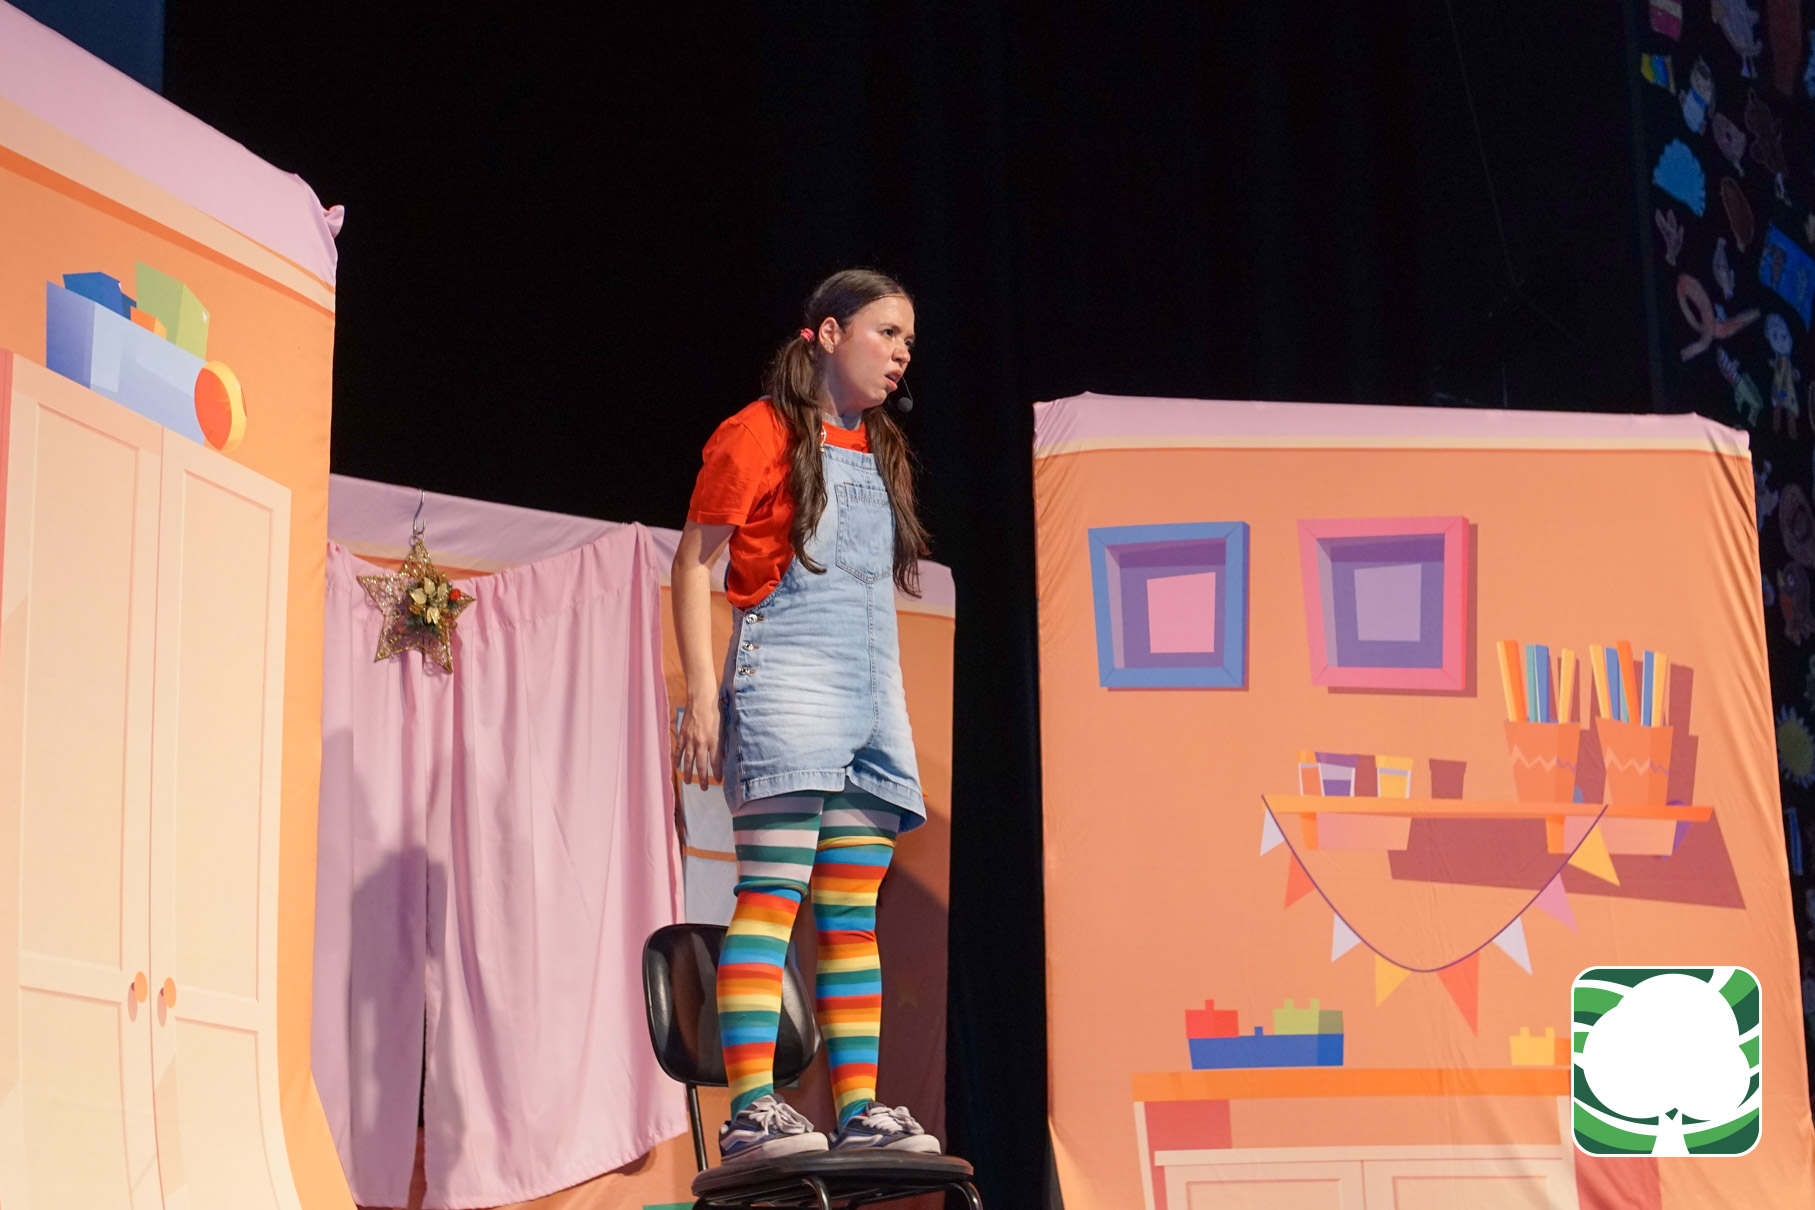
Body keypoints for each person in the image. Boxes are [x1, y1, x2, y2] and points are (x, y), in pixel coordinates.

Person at [671, 268, 939, 1160]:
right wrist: (702, 693)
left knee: (851, 914)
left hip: (874, 700)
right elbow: (693, 564)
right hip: (787, 682)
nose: (900, 354)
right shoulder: (757, 433)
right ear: (827, 333)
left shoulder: (880, 447)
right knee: (772, 893)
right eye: (885, 333)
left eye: (907, 341)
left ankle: (859, 1112)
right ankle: (753, 1110)